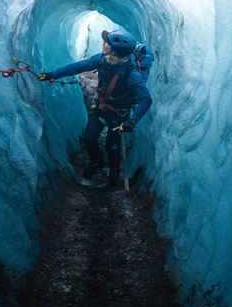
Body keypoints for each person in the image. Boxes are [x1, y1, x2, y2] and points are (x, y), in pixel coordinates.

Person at [38, 29, 152, 188]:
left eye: (106, 43)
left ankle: (114, 172)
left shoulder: (132, 75)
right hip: (102, 107)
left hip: (120, 115)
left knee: (112, 145)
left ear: (113, 50)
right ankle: (97, 161)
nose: (103, 44)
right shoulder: (101, 60)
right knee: (89, 138)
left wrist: (132, 120)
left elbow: (145, 99)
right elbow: (76, 67)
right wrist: (52, 75)